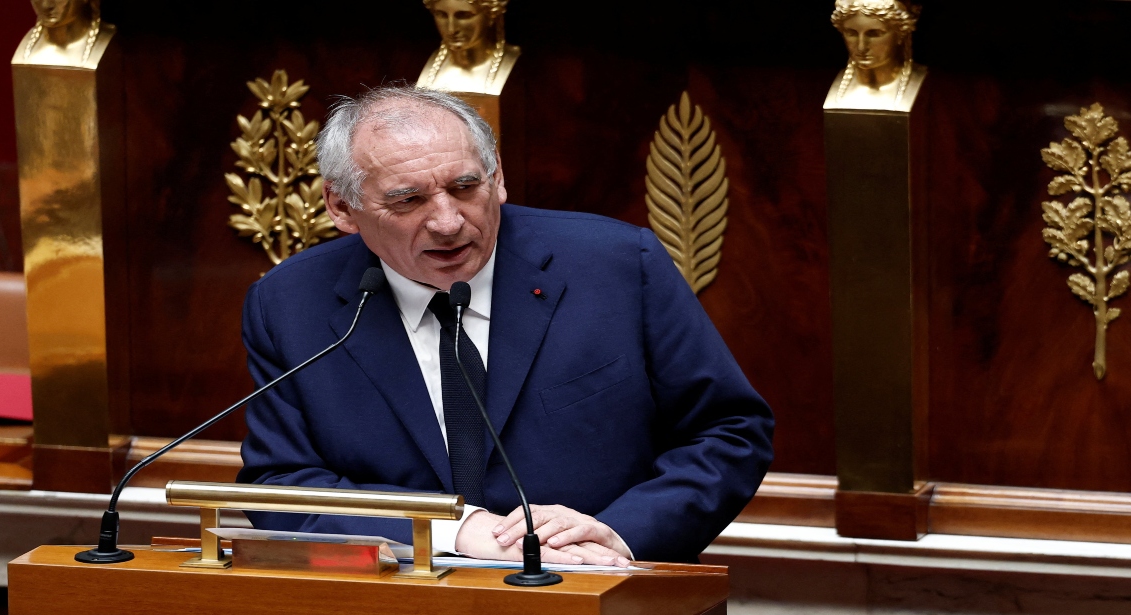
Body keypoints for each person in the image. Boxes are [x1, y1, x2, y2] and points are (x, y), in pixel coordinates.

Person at [237, 85, 773, 566]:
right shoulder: (289, 305)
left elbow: (728, 432)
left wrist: (621, 532)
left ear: (497, 177)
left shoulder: (616, 266)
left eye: (466, 186)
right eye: (408, 200)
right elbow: (280, 483)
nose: (448, 222)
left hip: (607, 601)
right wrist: (451, 528)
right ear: (341, 207)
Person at [829, 0, 924, 108]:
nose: (861, 47)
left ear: (901, 34)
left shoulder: (935, 91)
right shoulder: (817, 88)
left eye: (874, 34)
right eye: (851, 33)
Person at [416, 0, 521, 96]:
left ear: (491, 14)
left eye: (464, 15)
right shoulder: (421, 62)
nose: (451, 29)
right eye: (441, 15)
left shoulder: (516, 66)